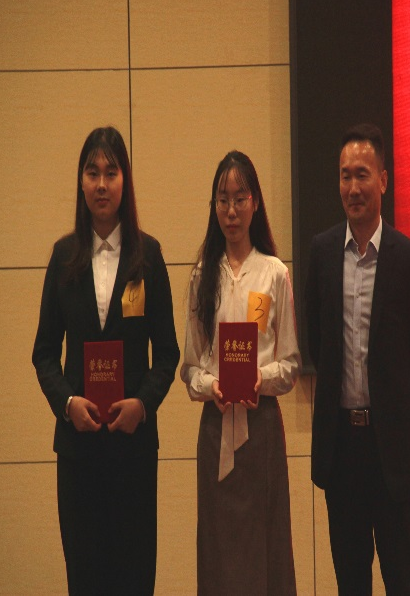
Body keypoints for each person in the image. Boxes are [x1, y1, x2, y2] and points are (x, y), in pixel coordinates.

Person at [32, 126, 180, 596]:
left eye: (111, 173)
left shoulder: (148, 256)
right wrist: (67, 402)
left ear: (124, 182)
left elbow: (168, 353)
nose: (101, 184)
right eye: (92, 173)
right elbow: (44, 353)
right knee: (85, 577)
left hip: (133, 448)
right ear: (81, 182)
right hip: (78, 450)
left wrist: (143, 404)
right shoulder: (63, 257)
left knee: (134, 576)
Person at [305, 123, 410, 595]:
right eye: (345, 176)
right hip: (341, 449)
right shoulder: (322, 253)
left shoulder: (409, 258)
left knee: (402, 579)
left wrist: (399, 411)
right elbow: (317, 342)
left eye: (362, 175)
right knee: (350, 582)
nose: (353, 187)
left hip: (393, 453)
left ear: (383, 180)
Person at [181, 151, 300, 596]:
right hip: (215, 429)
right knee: (218, 549)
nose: (231, 211)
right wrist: (209, 385)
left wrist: (259, 380)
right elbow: (190, 367)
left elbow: (290, 364)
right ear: (214, 206)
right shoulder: (202, 276)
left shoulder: (274, 274)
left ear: (255, 203)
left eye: (240, 198)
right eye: (222, 199)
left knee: (266, 544)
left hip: (261, 427)